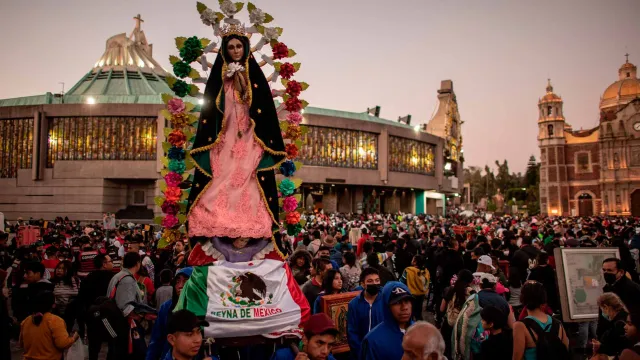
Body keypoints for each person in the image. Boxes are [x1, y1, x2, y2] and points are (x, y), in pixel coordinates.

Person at [513, 281, 568, 360]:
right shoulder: (558, 324)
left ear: (523, 299)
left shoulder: (520, 326)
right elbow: (565, 350)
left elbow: (517, 358)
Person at [148, 267, 193, 360]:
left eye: (185, 281)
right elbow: (156, 340)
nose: (180, 286)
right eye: (177, 282)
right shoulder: (166, 307)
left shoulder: (203, 308)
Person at [19, 291, 80, 360]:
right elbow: (62, 344)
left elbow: (21, 344)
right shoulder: (55, 320)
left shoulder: (26, 321)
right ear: (53, 305)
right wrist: (74, 338)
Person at [360, 281, 413, 360]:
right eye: (397, 302)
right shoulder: (373, 341)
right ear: (387, 306)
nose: (404, 307)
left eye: (407, 301)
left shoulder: (421, 332)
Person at [79, 253, 115, 360]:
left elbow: (82, 298)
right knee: (112, 339)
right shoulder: (112, 278)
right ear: (104, 264)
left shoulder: (88, 278)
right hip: (108, 318)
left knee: (94, 346)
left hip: (92, 317)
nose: (112, 263)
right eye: (111, 261)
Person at [347, 268, 384, 360]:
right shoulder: (354, 304)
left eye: (377, 280)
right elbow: (351, 331)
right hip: (360, 353)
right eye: (370, 281)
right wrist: (361, 353)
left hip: (382, 351)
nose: (374, 284)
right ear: (363, 284)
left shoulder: (386, 301)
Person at [271, 313, 338, 360]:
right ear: (305, 339)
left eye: (329, 345)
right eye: (320, 343)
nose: (325, 351)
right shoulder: (282, 356)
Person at [592, 292, 630, 356]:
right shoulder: (624, 316)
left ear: (606, 307)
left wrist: (600, 347)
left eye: (602, 309)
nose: (603, 313)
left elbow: (616, 347)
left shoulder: (619, 323)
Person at [50, 260, 80, 330]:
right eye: (58, 268)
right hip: (57, 314)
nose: (59, 270)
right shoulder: (54, 282)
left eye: (62, 269)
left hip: (72, 315)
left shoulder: (76, 280)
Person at [400, 255, 430, 321]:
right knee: (418, 313)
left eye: (413, 259)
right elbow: (428, 283)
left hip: (411, 295)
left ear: (415, 262)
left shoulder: (408, 271)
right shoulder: (426, 272)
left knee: (410, 313)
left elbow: (401, 282)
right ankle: (419, 326)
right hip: (421, 295)